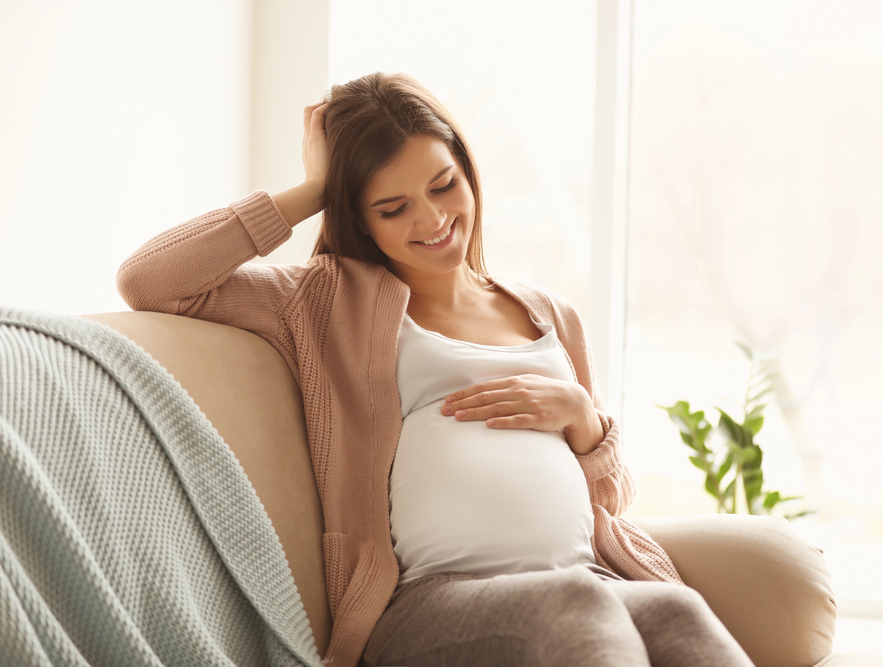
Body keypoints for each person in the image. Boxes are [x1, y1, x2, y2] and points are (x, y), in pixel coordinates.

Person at [117, 72, 753, 667]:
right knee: (577, 607)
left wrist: (584, 421)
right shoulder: (326, 301)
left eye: (444, 185)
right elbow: (150, 281)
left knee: (676, 608)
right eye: (392, 208)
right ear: (359, 217)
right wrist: (313, 188)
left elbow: (610, 500)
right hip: (431, 600)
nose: (432, 220)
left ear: (468, 172)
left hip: (583, 575)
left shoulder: (552, 316)